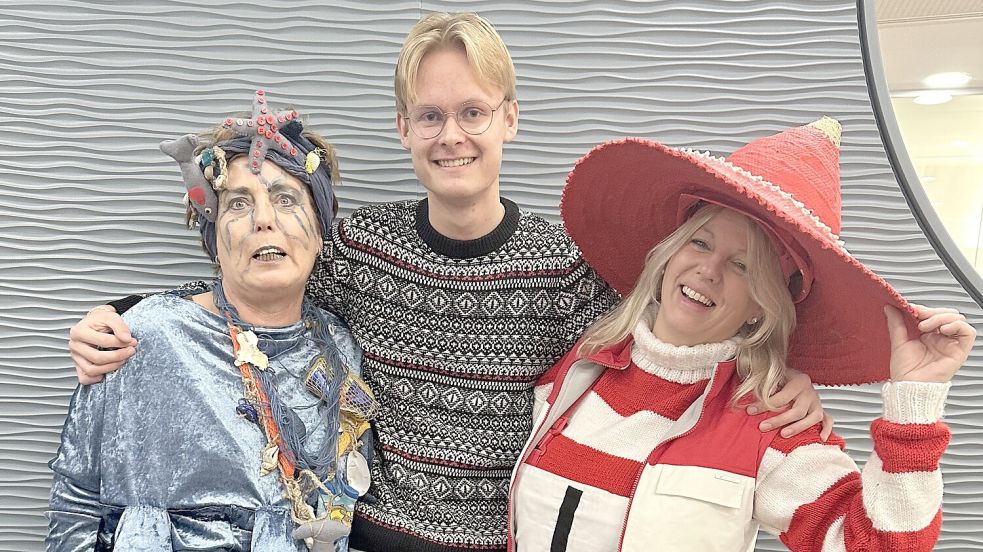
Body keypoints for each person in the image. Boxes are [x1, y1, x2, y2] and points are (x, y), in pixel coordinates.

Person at [63, 13, 831, 552]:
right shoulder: (358, 247)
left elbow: (672, 342)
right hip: (367, 537)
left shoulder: (566, 267)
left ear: (509, 119)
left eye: (472, 112)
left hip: (506, 539)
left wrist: (772, 373)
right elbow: (260, 282)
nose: (451, 136)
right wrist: (124, 316)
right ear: (403, 129)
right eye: (429, 116)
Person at [507, 117, 975, 551]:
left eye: (742, 265)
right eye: (700, 242)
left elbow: (879, 546)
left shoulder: (770, 423)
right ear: (669, 254)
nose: (708, 270)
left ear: (762, 307)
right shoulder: (582, 363)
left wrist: (915, 402)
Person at [46, 90, 376, 551]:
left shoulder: (339, 348)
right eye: (238, 203)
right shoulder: (144, 335)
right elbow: (75, 503)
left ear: (321, 231)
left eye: (286, 199)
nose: (264, 219)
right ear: (213, 238)